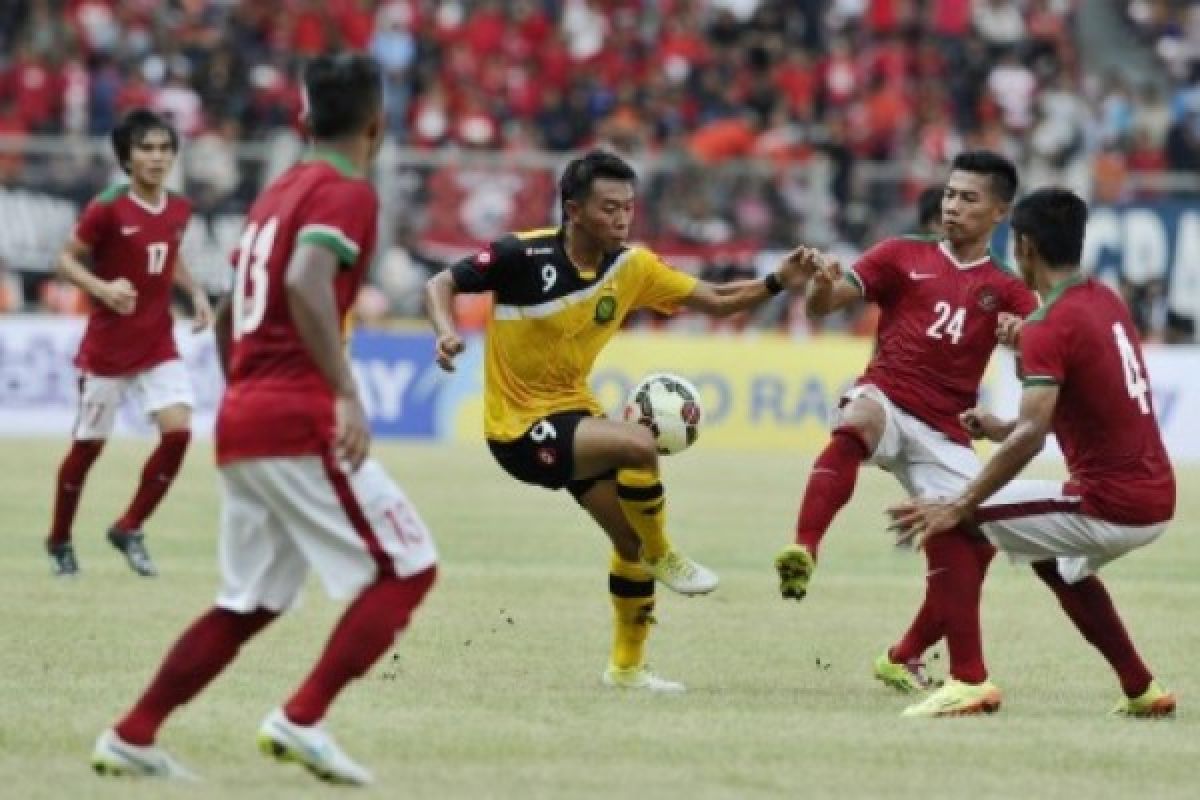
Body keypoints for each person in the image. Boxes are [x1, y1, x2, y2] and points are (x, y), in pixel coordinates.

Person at [91, 54, 438, 785]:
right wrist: (343, 390)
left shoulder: (279, 191)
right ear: (378, 123)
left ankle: (133, 733)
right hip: (295, 418)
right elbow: (307, 280)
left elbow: (225, 314)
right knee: (408, 567)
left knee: (251, 601)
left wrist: (245, 388)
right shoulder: (346, 191)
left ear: (304, 119)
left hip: (247, 416)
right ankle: (301, 718)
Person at [425, 149, 812, 692]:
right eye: (609, 208)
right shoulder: (521, 253)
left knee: (625, 541)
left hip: (572, 416)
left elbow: (718, 299)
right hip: (516, 429)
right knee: (637, 443)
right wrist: (445, 332)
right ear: (574, 209)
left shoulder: (632, 268)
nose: (621, 218)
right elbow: (441, 283)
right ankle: (666, 555)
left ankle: (627, 668)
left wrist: (776, 283)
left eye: (628, 208)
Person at [889, 188, 1176, 718]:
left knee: (953, 516)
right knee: (1058, 564)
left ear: (1023, 247)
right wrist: (1003, 417)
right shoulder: (1102, 299)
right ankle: (1141, 688)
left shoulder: (1051, 325)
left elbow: (1031, 438)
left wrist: (963, 501)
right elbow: (1077, 388)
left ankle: (967, 679)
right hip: (1155, 496)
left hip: (1113, 503)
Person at [774, 151, 1039, 694]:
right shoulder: (899, 254)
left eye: (969, 198)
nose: (952, 206)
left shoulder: (1011, 290)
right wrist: (820, 283)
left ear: (999, 212)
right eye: (949, 194)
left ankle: (905, 655)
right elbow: (824, 306)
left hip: (947, 429)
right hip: (890, 398)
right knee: (859, 415)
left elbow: (1043, 371)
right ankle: (804, 546)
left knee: (972, 542)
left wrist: (1021, 338)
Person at [45, 109, 213, 578]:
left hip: (157, 341)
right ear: (127, 157)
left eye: (164, 148)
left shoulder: (180, 208)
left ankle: (130, 526)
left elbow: (169, 255)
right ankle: (59, 538)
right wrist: (102, 289)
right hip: (108, 351)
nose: (157, 158)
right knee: (87, 450)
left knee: (179, 433)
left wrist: (195, 292)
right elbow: (64, 259)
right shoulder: (107, 207)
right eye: (146, 148)